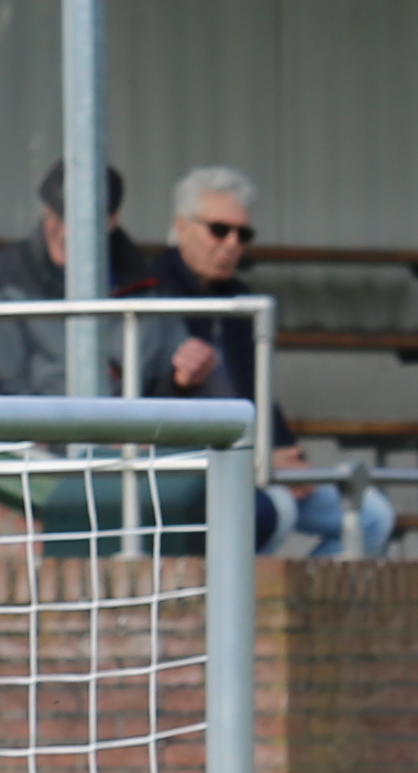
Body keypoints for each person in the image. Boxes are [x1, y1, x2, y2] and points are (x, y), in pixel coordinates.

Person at [134, 166, 390, 558]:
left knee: (373, 517)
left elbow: (257, 393)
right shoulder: (150, 295)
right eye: (219, 230)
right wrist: (259, 455)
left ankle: (303, 616)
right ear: (181, 226)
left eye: (243, 234)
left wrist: (290, 456)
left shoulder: (240, 298)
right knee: (275, 511)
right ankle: (248, 616)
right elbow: (147, 402)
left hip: (258, 463)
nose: (232, 243)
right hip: (197, 470)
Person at [0, 160, 156, 398]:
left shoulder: (144, 283)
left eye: (82, 222)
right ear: (44, 211)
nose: (66, 232)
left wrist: (183, 381)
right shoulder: (4, 275)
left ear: (111, 221)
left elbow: (158, 381)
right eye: (58, 216)